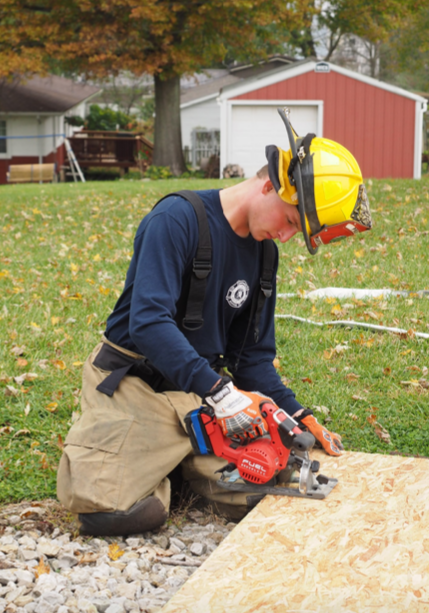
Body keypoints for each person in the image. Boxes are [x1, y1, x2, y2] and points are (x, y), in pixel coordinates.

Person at [57, 111, 372, 536]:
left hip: (198, 394)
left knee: (265, 484)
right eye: (291, 221)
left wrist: (299, 414)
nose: (285, 237)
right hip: (135, 382)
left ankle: (177, 463)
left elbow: (252, 359)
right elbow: (148, 322)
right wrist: (220, 393)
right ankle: (164, 464)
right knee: (113, 508)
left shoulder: (264, 254)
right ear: (270, 184)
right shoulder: (177, 219)